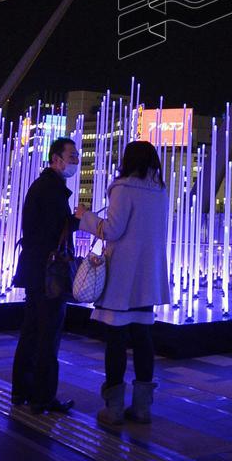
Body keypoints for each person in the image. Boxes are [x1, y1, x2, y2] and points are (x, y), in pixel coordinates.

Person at [75, 140, 169, 427]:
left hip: (122, 278)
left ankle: (113, 409)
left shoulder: (122, 188)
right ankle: (142, 409)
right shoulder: (161, 191)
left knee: (116, 341)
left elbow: (112, 230)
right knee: (143, 339)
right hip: (147, 277)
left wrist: (85, 217)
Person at [11, 137, 80, 413]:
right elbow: (53, 230)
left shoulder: (44, 186)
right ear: (56, 158)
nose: (75, 161)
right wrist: (80, 220)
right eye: (71, 156)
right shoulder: (51, 189)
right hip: (48, 275)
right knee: (47, 336)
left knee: (31, 332)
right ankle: (42, 397)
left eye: (77, 156)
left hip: (34, 271)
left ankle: (21, 392)